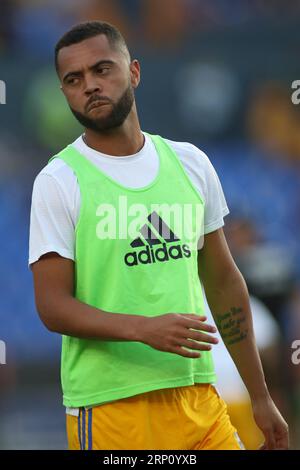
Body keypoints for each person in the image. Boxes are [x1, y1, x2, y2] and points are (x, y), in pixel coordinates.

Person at [29, 21, 288, 450]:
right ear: (64, 93)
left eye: (102, 70)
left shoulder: (190, 164)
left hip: (200, 400)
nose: (90, 85)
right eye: (74, 79)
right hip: (111, 409)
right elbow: (52, 306)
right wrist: (142, 329)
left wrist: (260, 397)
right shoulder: (59, 180)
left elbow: (224, 282)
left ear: (133, 72)